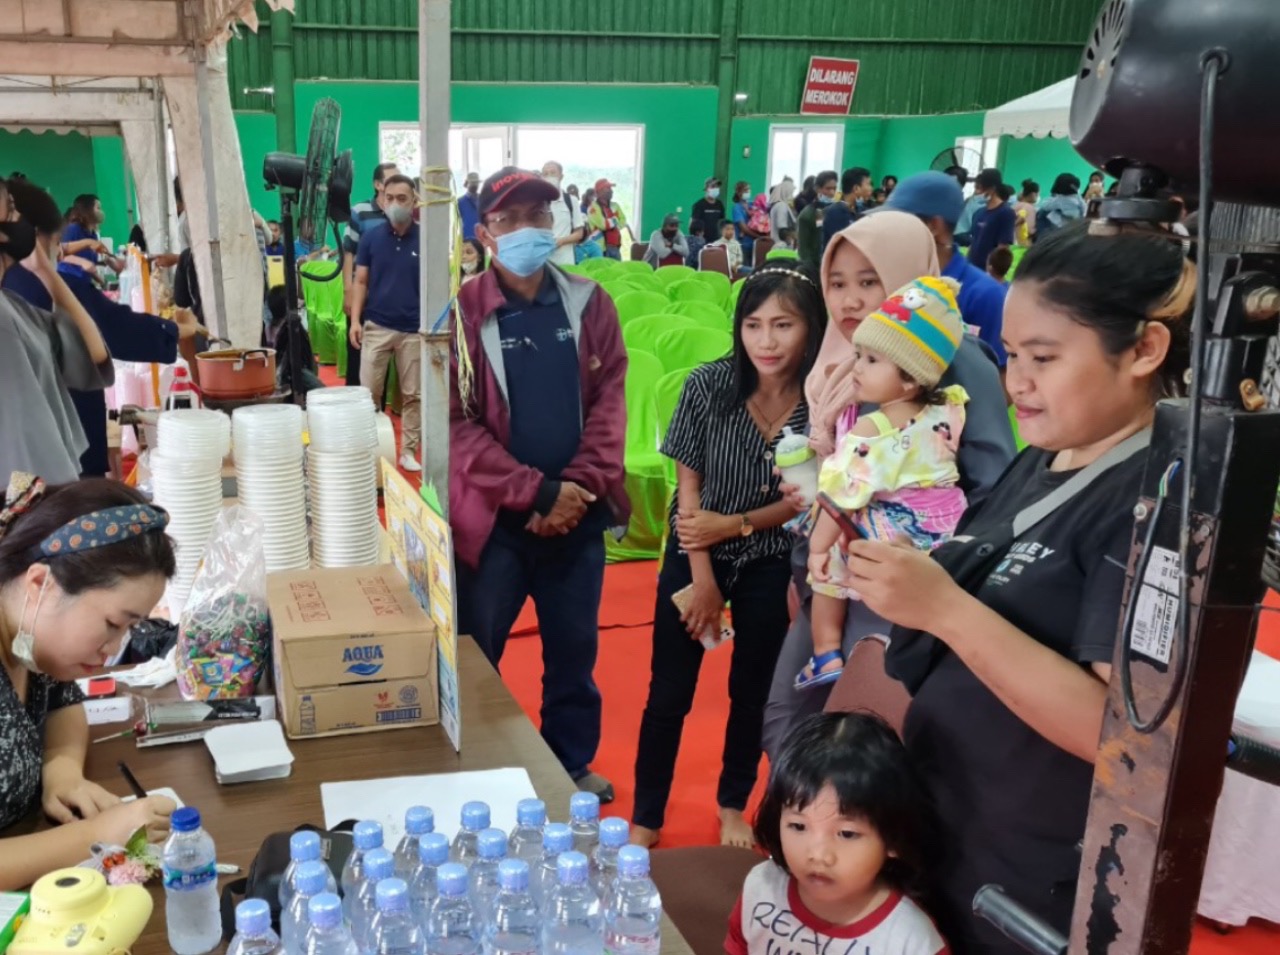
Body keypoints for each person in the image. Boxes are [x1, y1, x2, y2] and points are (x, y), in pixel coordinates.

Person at [838, 220, 1191, 953]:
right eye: (1011, 355)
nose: (1016, 381)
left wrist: (944, 608)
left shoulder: (1156, 501)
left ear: (1144, 350)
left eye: (1045, 357)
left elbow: (1121, 735)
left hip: (1029, 868)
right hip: (948, 818)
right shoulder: (1050, 454)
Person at [760, 210, 1016, 761]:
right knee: (791, 725)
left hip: (904, 583)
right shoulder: (844, 358)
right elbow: (842, 467)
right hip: (834, 569)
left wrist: (922, 544)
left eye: (869, 281)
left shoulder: (951, 361)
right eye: (836, 283)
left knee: (865, 742)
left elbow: (994, 488)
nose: (849, 300)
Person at [630, 263, 824, 850]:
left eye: (783, 325)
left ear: (810, 328)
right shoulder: (708, 385)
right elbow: (688, 493)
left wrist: (737, 524)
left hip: (772, 555)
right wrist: (703, 580)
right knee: (669, 692)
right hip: (695, 550)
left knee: (753, 692)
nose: (767, 341)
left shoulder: (821, 400)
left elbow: (806, 499)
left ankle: (733, 805)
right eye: (753, 324)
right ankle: (647, 815)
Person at [451, 166, 627, 803]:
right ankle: (473, 767)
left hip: (577, 518)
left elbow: (610, 405)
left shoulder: (588, 302)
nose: (528, 229)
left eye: (539, 216)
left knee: (574, 653)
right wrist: (532, 492)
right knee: (477, 654)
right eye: (512, 218)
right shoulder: (460, 315)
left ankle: (569, 765)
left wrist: (575, 489)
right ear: (484, 233)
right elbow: (454, 426)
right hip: (496, 523)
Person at [0, 475, 178, 890]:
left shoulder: (31, 642)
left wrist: (61, 769)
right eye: (113, 624)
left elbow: (63, 702)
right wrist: (95, 835)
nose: (113, 649)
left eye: (130, 629)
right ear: (40, 584)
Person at [799, 277, 968, 690]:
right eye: (859, 355)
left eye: (873, 360)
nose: (857, 367)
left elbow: (838, 498)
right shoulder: (949, 409)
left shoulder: (872, 429)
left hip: (890, 535)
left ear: (911, 379)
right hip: (941, 532)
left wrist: (816, 550)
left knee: (827, 567)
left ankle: (825, 652)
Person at [3, 179, 203, 478]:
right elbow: (112, 331)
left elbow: (96, 358)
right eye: (56, 244)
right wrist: (176, 330)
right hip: (48, 473)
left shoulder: (25, 291)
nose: (61, 253)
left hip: (45, 468)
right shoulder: (23, 303)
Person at [725, 713, 946, 955]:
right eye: (798, 826)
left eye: (847, 834)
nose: (818, 854)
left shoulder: (911, 942)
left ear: (894, 837)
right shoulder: (761, 887)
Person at [0, 178, 115, 485]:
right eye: (10, 210)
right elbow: (24, 451)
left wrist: (45, 270)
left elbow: (94, 357)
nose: (18, 220)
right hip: (33, 499)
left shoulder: (12, 306)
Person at [877, 171, 1010, 370]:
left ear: (933, 226)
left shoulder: (984, 295)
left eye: (895, 223)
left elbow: (1000, 375)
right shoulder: (894, 284)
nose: (885, 233)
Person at [349, 174, 422, 473]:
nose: (395, 204)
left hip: (414, 329)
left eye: (402, 198)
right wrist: (355, 320)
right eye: (389, 198)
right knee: (369, 394)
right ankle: (371, 450)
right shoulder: (371, 238)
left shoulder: (426, 238)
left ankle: (408, 451)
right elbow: (360, 281)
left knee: (414, 395)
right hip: (377, 325)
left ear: (414, 200)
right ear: (382, 200)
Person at [343, 161, 399, 388]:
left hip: (389, 297)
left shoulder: (402, 214)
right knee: (358, 353)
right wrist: (348, 291)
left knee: (380, 361)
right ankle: (354, 403)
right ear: (377, 184)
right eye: (391, 179)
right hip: (362, 295)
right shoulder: (360, 211)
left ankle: (378, 406)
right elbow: (348, 252)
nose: (396, 183)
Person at [59, 195, 123, 282]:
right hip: (68, 280)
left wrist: (103, 283)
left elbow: (90, 266)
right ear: (87, 210)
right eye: (98, 208)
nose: (101, 212)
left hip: (83, 282)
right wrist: (81, 262)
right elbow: (60, 255)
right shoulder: (73, 229)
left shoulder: (93, 235)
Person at [541, 161, 585, 267]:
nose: (549, 176)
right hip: (543, 263)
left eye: (553, 173)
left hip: (565, 262)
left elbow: (579, 233)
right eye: (545, 174)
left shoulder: (571, 201)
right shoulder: (537, 202)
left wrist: (561, 241)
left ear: (561, 176)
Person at [967, 182, 1016, 271]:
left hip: (989, 268)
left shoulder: (1006, 213)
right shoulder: (979, 212)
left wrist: (995, 270)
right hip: (972, 266)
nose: (977, 192)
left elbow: (1003, 246)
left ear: (991, 190)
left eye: (979, 188)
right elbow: (973, 241)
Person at [822, 167, 872, 252]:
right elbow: (842, 244)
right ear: (856, 188)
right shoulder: (835, 212)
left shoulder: (861, 210)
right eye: (868, 184)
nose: (871, 188)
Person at [797, 170, 838, 269]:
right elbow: (804, 250)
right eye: (828, 189)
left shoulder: (837, 211)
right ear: (817, 189)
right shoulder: (807, 215)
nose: (832, 193)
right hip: (815, 267)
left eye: (834, 188)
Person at [587, 180, 627, 260]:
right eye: (608, 188)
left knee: (617, 267)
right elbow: (604, 225)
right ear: (599, 192)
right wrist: (615, 219)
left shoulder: (615, 205)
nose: (611, 191)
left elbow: (623, 220)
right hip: (600, 248)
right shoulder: (593, 208)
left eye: (611, 188)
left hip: (615, 246)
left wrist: (614, 224)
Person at [1037, 174, 1087, 238]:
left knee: (1041, 212)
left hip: (1062, 229)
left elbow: (1044, 205)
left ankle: (1042, 238)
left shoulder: (1061, 200)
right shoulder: (1078, 198)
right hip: (1076, 227)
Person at [729, 182, 759, 266]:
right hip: (744, 244)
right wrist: (758, 236)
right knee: (746, 269)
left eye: (749, 189)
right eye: (745, 190)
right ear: (739, 193)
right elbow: (744, 228)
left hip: (756, 245)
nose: (748, 192)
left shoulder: (752, 205)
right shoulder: (737, 208)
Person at [692, 177, 726, 243]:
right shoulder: (699, 205)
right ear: (706, 189)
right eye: (713, 186)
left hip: (717, 240)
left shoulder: (720, 204)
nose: (715, 189)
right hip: (703, 241)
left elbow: (722, 221)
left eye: (717, 187)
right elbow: (694, 224)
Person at [769, 179, 797, 244]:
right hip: (782, 245)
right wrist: (795, 238)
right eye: (791, 193)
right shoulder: (781, 206)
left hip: (780, 244)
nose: (792, 195)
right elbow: (782, 229)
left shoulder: (780, 205)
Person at [1014, 179, 1039, 247]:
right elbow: (1030, 230)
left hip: (1013, 243)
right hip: (1024, 244)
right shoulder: (1030, 208)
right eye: (1038, 194)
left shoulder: (1016, 206)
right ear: (1033, 194)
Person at [458, 171, 482, 240]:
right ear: (467, 184)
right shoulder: (460, 202)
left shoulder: (483, 200)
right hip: (467, 239)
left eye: (476, 183)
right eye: (472, 183)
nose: (475, 185)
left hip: (482, 239)